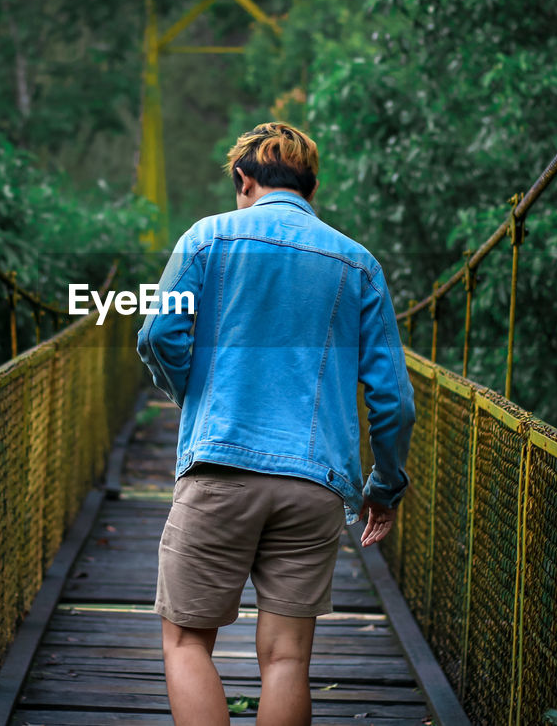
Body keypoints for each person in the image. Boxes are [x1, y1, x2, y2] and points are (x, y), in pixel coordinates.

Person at [136, 121, 415, 726]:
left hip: (220, 469)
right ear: (311, 188)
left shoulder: (207, 240)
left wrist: (192, 392)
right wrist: (384, 487)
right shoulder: (358, 264)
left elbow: (159, 333)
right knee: (287, 659)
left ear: (244, 179)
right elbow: (394, 399)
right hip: (315, 485)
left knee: (186, 643)